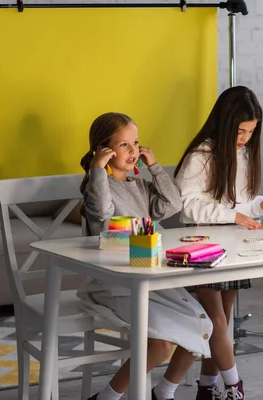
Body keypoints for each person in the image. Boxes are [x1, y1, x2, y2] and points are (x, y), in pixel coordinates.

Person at [77, 112, 213, 400]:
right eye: (123, 145)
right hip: (114, 282)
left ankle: (164, 391)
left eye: (135, 143)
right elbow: (102, 220)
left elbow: (173, 204)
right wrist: (97, 170)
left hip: (148, 275)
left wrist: (155, 168)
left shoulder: (138, 185)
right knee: (162, 344)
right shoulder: (97, 187)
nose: (133, 150)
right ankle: (107, 397)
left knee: (204, 324)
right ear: (104, 150)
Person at [173, 86, 263, 400]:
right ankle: (235, 386)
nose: (245, 138)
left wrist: (259, 205)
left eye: (250, 132)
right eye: (240, 130)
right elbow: (187, 206)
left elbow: (238, 203)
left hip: (232, 246)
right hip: (201, 247)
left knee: (221, 321)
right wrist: (235, 217)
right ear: (224, 122)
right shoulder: (201, 156)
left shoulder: (242, 154)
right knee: (214, 321)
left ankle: (205, 388)